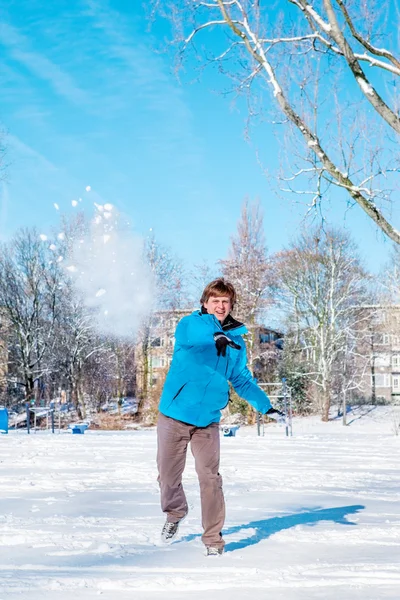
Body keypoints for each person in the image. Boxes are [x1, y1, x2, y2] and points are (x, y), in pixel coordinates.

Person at [157, 278, 282, 556]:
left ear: (231, 305)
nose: (221, 306)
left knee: (210, 478)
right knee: (168, 476)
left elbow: (241, 379)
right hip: (174, 414)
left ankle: (213, 539)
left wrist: (265, 406)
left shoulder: (236, 341)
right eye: (215, 301)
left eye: (225, 301)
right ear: (205, 303)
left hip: (208, 421)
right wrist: (214, 336)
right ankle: (175, 512)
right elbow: (192, 336)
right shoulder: (190, 324)